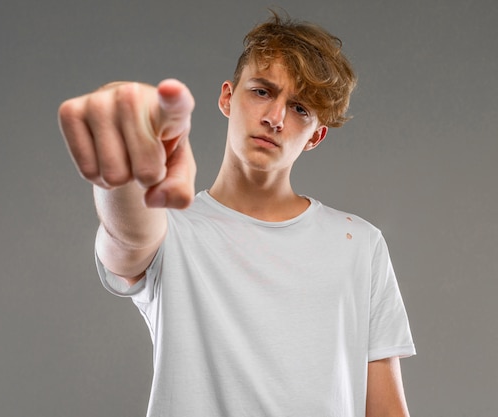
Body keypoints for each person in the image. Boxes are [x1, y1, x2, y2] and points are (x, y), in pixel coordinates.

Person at [58, 11, 415, 417]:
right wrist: (120, 150)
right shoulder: (173, 227)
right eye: (262, 92)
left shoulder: (359, 244)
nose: (275, 118)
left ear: (316, 135)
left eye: (299, 108)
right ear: (228, 97)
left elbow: (386, 410)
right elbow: (125, 238)